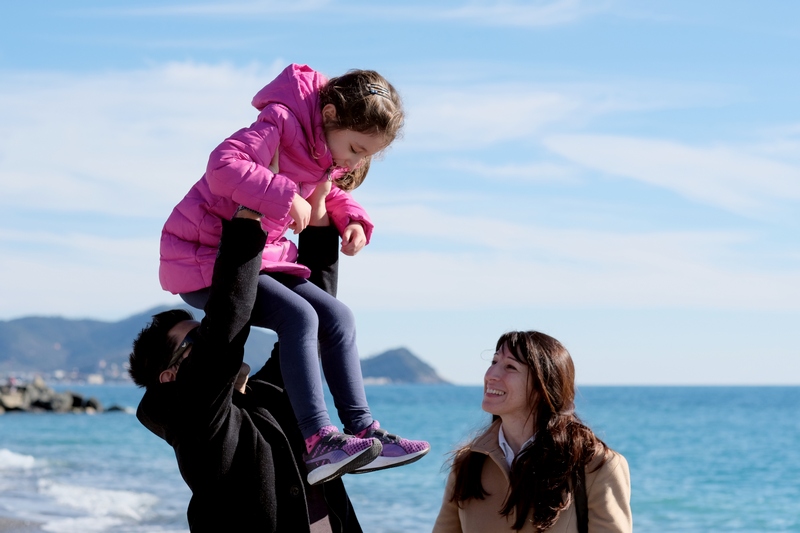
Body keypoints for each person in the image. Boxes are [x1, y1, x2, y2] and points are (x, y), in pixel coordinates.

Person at [158, 63, 429, 485]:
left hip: (264, 256)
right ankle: (319, 439)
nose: (354, 161)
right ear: (332, 114)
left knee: (338, 318)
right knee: (300, 318)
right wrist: (284, 194)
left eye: (365, 156)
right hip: (203, 258)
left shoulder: (326, 151)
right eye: (356, 149)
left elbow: (331, 191)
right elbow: (223, 165)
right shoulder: (281, 121)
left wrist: (352, 219)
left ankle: (363, 430)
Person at [130, 209, 363, 532]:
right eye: (198, 337)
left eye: (205, 329)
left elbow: (314, 325)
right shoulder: (196, 422)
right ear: (170, 376)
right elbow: (226, 322)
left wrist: (320, 216)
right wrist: (249, 215)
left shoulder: (271, 395)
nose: (209, 335)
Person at [433, 331, 632, 533]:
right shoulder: (467, 464)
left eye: (510, 367)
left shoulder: (597, 465)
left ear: (543, 386)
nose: (491, 375)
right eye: (493, 362)